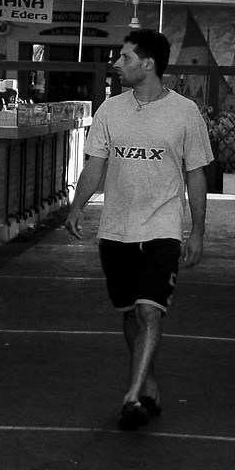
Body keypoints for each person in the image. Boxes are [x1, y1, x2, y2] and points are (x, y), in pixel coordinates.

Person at [64, 27, 213, 432]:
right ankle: (146, 381)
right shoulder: (111, 110)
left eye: (125, 57)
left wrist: (196, 231)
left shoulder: (185, 113)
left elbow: (196, 175)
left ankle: (131, 397)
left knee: (150, 309)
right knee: (129, 312)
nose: (117, 63)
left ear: (148, 64)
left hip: (163, 227)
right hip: (116, 230)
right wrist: (77, 206)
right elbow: (95, 165)